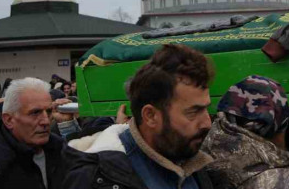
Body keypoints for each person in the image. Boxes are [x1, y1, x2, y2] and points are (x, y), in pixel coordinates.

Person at [62, 44, 216, 188]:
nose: (207, 123)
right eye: (193, 112)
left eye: (206, 110)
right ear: (150, 116)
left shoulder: (193, 161)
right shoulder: (95, 179)